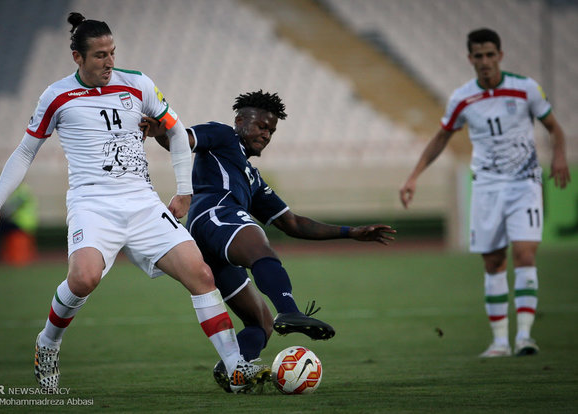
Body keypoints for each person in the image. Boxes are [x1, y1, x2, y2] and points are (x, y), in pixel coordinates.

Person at [0, 12, 269, 393]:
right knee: (83, 278)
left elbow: (176, 132)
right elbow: (26, 151)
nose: (109, 62)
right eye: (99, 56)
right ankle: (48, 343)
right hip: (92, 203)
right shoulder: (56, 95)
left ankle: (235, 368)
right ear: (77, 57)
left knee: (201, 275)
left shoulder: (138, 84)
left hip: (142, 202)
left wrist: (183, 189)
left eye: (112, 53)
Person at [142, 90, 395, 391]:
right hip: (214, 215)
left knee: (260, 322)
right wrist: (161, 129)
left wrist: (350, 233)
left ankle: (234, 369)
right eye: (261, 126)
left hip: (216, 241)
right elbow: (180, 140)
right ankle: (288, 311)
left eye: (271, 130)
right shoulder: (223, 136)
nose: (266, 134)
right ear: (239, 121)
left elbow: (293, 223)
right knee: (259, 245)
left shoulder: (253, 178)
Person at [399, 28, 570, 358]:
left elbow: (553, 127)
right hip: (488, 188)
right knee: (493, 261)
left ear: (500, 56)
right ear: (470, 59)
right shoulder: (462, 98)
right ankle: (499, 342)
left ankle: (524, 337)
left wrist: (559, 155)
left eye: (491, 54)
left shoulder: (525, 88)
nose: (485, 61)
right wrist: (414, 176)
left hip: (525, 184)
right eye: (479, 56)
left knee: (524, 255)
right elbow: (442, 137)